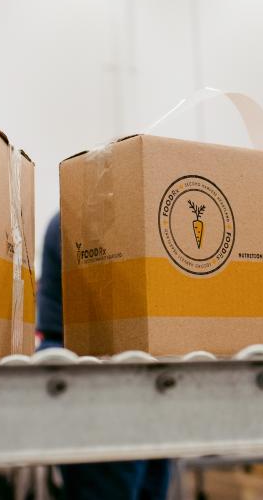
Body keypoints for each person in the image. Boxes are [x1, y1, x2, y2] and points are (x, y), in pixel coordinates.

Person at [37, 213, 172, 500]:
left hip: (134, 370)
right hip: (93, 370)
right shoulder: (81, 219)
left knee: (147, 485)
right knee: (109, 488)